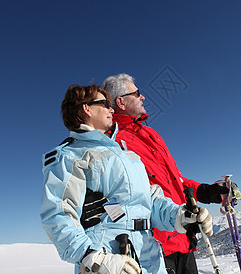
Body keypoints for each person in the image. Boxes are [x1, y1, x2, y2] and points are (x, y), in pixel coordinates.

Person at [40, 84, 213, 274]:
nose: (111, 109)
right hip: (110, 259)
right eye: (105, 104)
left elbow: (149, 201)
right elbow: (58, 213)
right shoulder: (70, 156)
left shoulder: (126, 155)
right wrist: (91, 256)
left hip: (150, 256)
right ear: (86, 108)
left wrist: (180, 216)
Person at [100, 74, 232, 274]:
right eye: (137, 93)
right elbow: (108, 199)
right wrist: (124, 233)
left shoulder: (151, 135)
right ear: (121, 102)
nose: (142, 97)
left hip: (182, 239)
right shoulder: (111, 142)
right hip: (151, 249)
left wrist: (209, 192)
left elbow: (176, 181)